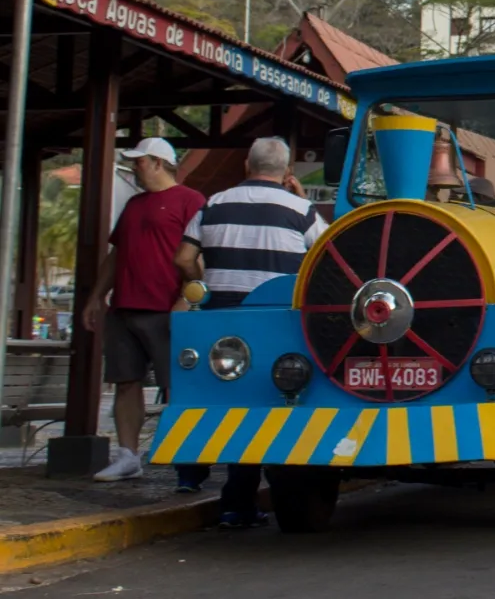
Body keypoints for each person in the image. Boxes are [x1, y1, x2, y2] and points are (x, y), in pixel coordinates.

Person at [174, 136, 328, 528]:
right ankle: (268, 494)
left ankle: (232, 502)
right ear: (287, 171)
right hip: (281, 324)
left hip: (224, 321)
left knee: (232, 408)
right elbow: (327, 259)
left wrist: (201, 285)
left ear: (247, 165)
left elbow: (184, 258)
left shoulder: (213, 204)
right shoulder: (302, 210)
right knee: (278, 406)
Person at [83, 138, 205, 482]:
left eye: (138, 162)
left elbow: (199, 255)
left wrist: (186, 299)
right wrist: (96, 297)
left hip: (166, 308)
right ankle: (127, 455)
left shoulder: (191, 201)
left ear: (156, 162)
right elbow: (115, 255)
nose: (135, 167)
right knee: (125, 381)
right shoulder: (135, 204)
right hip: (124, 307)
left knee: (178, 386)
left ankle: (189, 463)